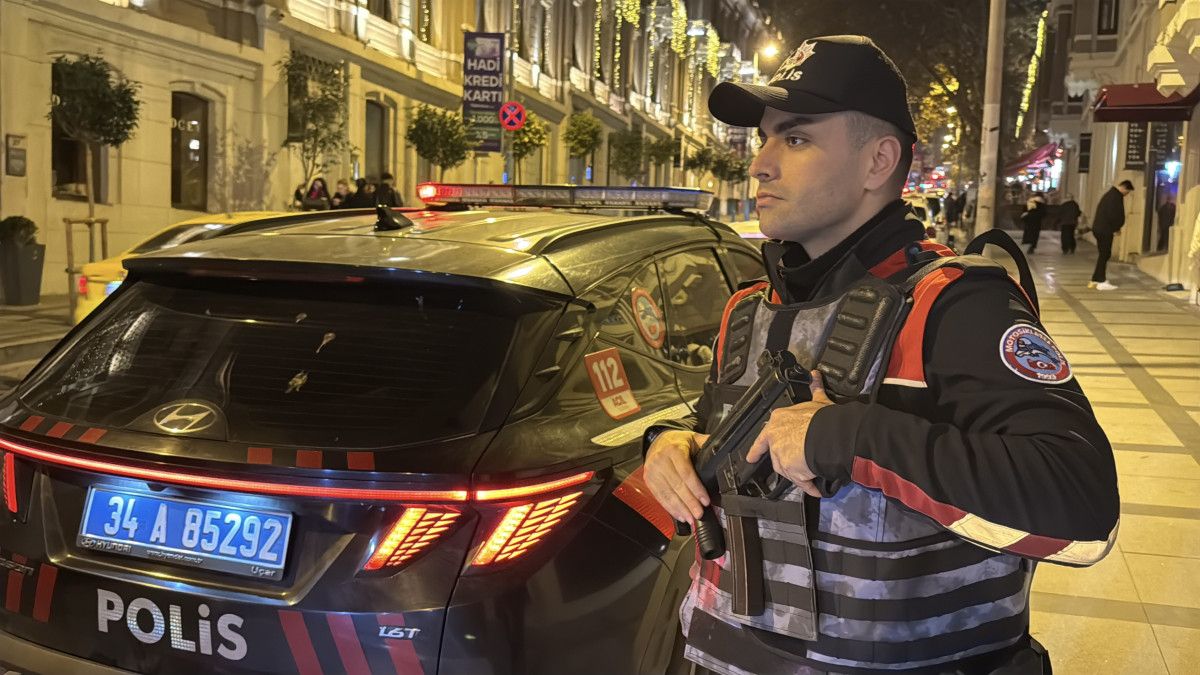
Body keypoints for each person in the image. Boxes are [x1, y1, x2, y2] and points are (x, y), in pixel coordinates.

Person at [642, 35, 1118, 675]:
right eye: (764, 138)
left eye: (796, 138)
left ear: (878, 161)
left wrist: (845, 437)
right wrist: (669, 444)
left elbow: (1081, 505)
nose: (760, 165)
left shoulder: (956, 306)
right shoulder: (747, 309)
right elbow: (721, 442)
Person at [1090, 180, 1134, 290]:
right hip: (1105, 229)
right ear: (1124, 188)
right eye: (1127, 192)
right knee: (1105, 254)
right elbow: (1113, 214)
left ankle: (1095, 279)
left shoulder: (1110, 195)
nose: (1127, 194)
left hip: (1100, 228)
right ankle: (1101, 281)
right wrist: (1116, 228)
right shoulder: (1115, 197)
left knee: (1103, 254)